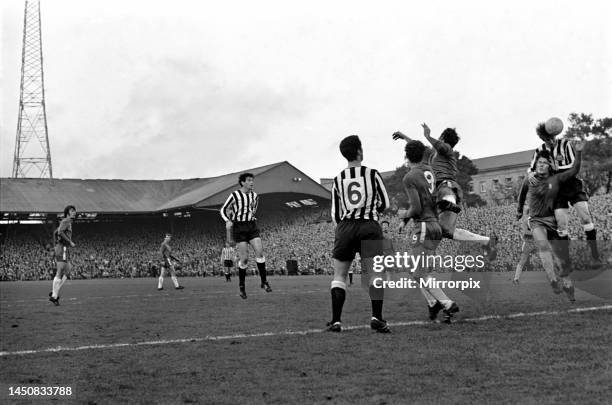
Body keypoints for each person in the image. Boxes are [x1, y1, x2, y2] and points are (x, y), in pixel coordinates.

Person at [393, 124, 497, 260]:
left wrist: (427, 136)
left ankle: (447, 203)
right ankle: (487, 241)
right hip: (441, 191)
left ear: (442, 138)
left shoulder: (447, 150)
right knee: (446, 231)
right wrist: (404, 137)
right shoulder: (433, 154)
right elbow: (417, 149)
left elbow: (441, 146)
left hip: (447, 187)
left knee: (441, 211)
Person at [327, 135, 391, 333]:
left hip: (345, 227)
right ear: (359, 152)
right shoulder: (372, 173)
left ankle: (336, 321)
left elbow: (335, 214)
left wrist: (345, 226)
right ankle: (376, 318)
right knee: (375, 274)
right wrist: (370, 213)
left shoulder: (338, 179)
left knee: (339, 275)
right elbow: (385, 203)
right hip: (369, 226)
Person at [399, 139, 459, 323]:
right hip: (435, 225)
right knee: (413, 268)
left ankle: (447, 304)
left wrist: (405, 215)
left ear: (407, 157)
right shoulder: (429, 170)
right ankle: (433, 302)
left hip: (424, 226)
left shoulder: (409, 177)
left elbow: (416, 207)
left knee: (420, 273)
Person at [518, 140, 586, 301]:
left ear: (550, 165)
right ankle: (554, 281)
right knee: (542, 246)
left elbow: (574, 170)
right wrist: (519, 210)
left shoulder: (557, 179)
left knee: (560, 256)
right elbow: (521, 195)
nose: (541, 165)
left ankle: (568, 286)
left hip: (553, 221)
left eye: (544, 163)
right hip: (536, 220)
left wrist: (579, 153)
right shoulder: (530, 179)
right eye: (539, 162)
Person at [527, 121, 601, 266]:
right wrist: (530, 174)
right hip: (556, 188)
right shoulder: (540, 149)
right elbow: (532, 167)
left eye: (553, 137)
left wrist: (557, 167)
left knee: (585, 217)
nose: (552, 141)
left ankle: (595, 256)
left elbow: (574, 166)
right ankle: (567, 262)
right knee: (561, 224)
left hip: (572, 184)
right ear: (543, 139)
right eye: (548, 139)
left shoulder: (566, 144)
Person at [220, 173, 272, 299]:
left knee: (260, 252)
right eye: (249, 180)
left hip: (252, 226)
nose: (251, 182)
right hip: (239, 228)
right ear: (242, 182)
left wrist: (251, 216)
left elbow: (254, 209)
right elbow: (223, 209)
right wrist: (228, 220)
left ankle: (264, 281)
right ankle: (242, 287)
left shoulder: (255, 195)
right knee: (244, 260)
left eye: (252, 180)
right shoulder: (234, 195)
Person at [49, 205, 77, 306]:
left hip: (63, 248)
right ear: (67, 212)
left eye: (74, 210)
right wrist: (70, 241)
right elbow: (59, 232)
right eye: (72, 210)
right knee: (60, 270)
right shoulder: (66, 221)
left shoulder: (68, 221)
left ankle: (54, 293)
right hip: (62, 247)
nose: (74, 212)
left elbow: (56, 232)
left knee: (68, 269)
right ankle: (54, 295)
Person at [512, 206, 537, 284]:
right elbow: (525, 232)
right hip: (528, 243)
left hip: (536, 243)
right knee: (523, 260)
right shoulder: (525, 221)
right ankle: (516, 279)